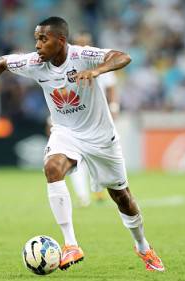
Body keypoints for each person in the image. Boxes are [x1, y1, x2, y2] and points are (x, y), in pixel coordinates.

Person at [0, 16, 164, 272]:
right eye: (36, 38)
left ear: (61, 40)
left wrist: (96, 70)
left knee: (122, 197)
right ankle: (71, 244)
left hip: (101, 137)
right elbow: (2, 62)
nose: (37, 45)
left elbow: (123, 56)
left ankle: (143, 246)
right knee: (52, 168)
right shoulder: (36, 63)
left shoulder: (83, 55)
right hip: (66, 133)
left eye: (43, 39)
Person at [69, 31, 119, 205]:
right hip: (75, 118)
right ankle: (83, 196)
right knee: (76, 158)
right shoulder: (67, 64)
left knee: (99, 156)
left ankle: (98, 190)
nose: (82, 47)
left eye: (85, 43)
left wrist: (114, 106)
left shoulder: (99, 62)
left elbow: (111, 87)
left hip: (99, 118)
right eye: (79, 43)